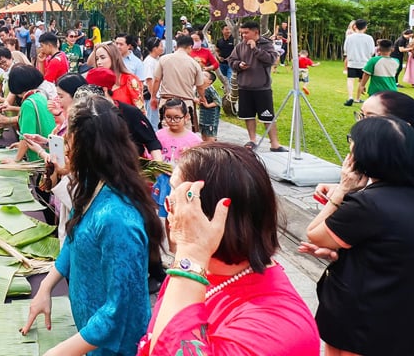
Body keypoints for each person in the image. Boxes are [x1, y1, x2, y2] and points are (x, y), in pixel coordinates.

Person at [303, 91, 414, 356]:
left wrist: (343, 190)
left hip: (366, 315)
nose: (351, 152)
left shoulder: (369, 203)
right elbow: (392, 244)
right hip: (405, 312)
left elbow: (314, 234)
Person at [137, 143, 319, 355]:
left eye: (178, 199)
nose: (168, 208)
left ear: (215, 215)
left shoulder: (278, 326)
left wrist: (191, 252)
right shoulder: (195, 270)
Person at [23, 95, 164, 356]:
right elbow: (75, 241)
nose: (62, 148)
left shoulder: (118, 218)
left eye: (68, 141)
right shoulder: (91, 184)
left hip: (113, 347)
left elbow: (118, 312)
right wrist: (45, 287)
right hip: (89, 337)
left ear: (84, 147)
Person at [227, 20, 285, 152]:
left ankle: (275, 143)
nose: (243, 36)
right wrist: (239, 65)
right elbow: (231, 60)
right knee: (248, 116)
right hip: (244, 87)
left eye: (246, 33)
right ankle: (252, 140)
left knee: (267, 116)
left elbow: (271, 59)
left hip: (262, 87)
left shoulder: (266, 44)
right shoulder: (240, 46)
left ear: (256, 32)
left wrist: (255, 49)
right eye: (242, 33)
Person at [84, 67, 162, 160]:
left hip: (131, 166)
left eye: (90, 90)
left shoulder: (130, 112)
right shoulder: (88, 112)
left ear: (104, 90)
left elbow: (152, 142)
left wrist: (158, 170)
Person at [151, 34, 207, 131]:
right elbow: (200, 86)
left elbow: (156, 80)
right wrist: (202, 97)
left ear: (177, 46)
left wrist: (153, 96)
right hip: (185, 104)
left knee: (166, 131)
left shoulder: (164, 59)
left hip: (167, 102)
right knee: (185, 133)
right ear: (190, 47)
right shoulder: (194, 64)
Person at [8, 64, 56, 162]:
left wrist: (15, 161)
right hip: (49, 151)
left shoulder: (28, 104)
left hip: (40, 158)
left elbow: (26, 137)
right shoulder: (39, 95)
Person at [94, 41, 146, 110]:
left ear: (114, 58)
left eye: (102, 58)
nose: (99, 62)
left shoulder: (130, 80)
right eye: (97, 59)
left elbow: (141, 113)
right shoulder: (96, 83)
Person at [157, 98, 202, 163]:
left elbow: (200, 161)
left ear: (186, 117)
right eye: (168, 117)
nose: (172, 121)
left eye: (177, 117)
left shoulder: (195, 140)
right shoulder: (159, 135)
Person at [342, 18, 374, 106]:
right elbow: (372, 51)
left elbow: (345, 49)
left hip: (352, 62)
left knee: (350, 80)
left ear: (355, 26)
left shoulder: (349, 37)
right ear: (365, 27)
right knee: (361, 81)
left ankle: (350, 97)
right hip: (364, 63)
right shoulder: (369, 38)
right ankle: (357, 98)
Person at [140, 37, 164, 131]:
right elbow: (149, 80)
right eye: (161, 46)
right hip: (151, 95)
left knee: (156, 119)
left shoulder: (156, 60)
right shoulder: (149, 62)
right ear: (154, 48)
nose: (163, 48)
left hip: (155, 94)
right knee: (152, 121)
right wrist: (153, 96)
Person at [199, 71, 221, 142]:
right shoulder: (199, 87)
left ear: (210, 81)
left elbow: (218, 101)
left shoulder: (210, 89)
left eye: (205, 75)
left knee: (210, 132)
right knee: (203, 130)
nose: (201, 76)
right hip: (203, 114)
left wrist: (208, 105)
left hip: (211, 115)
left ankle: (212, 145)